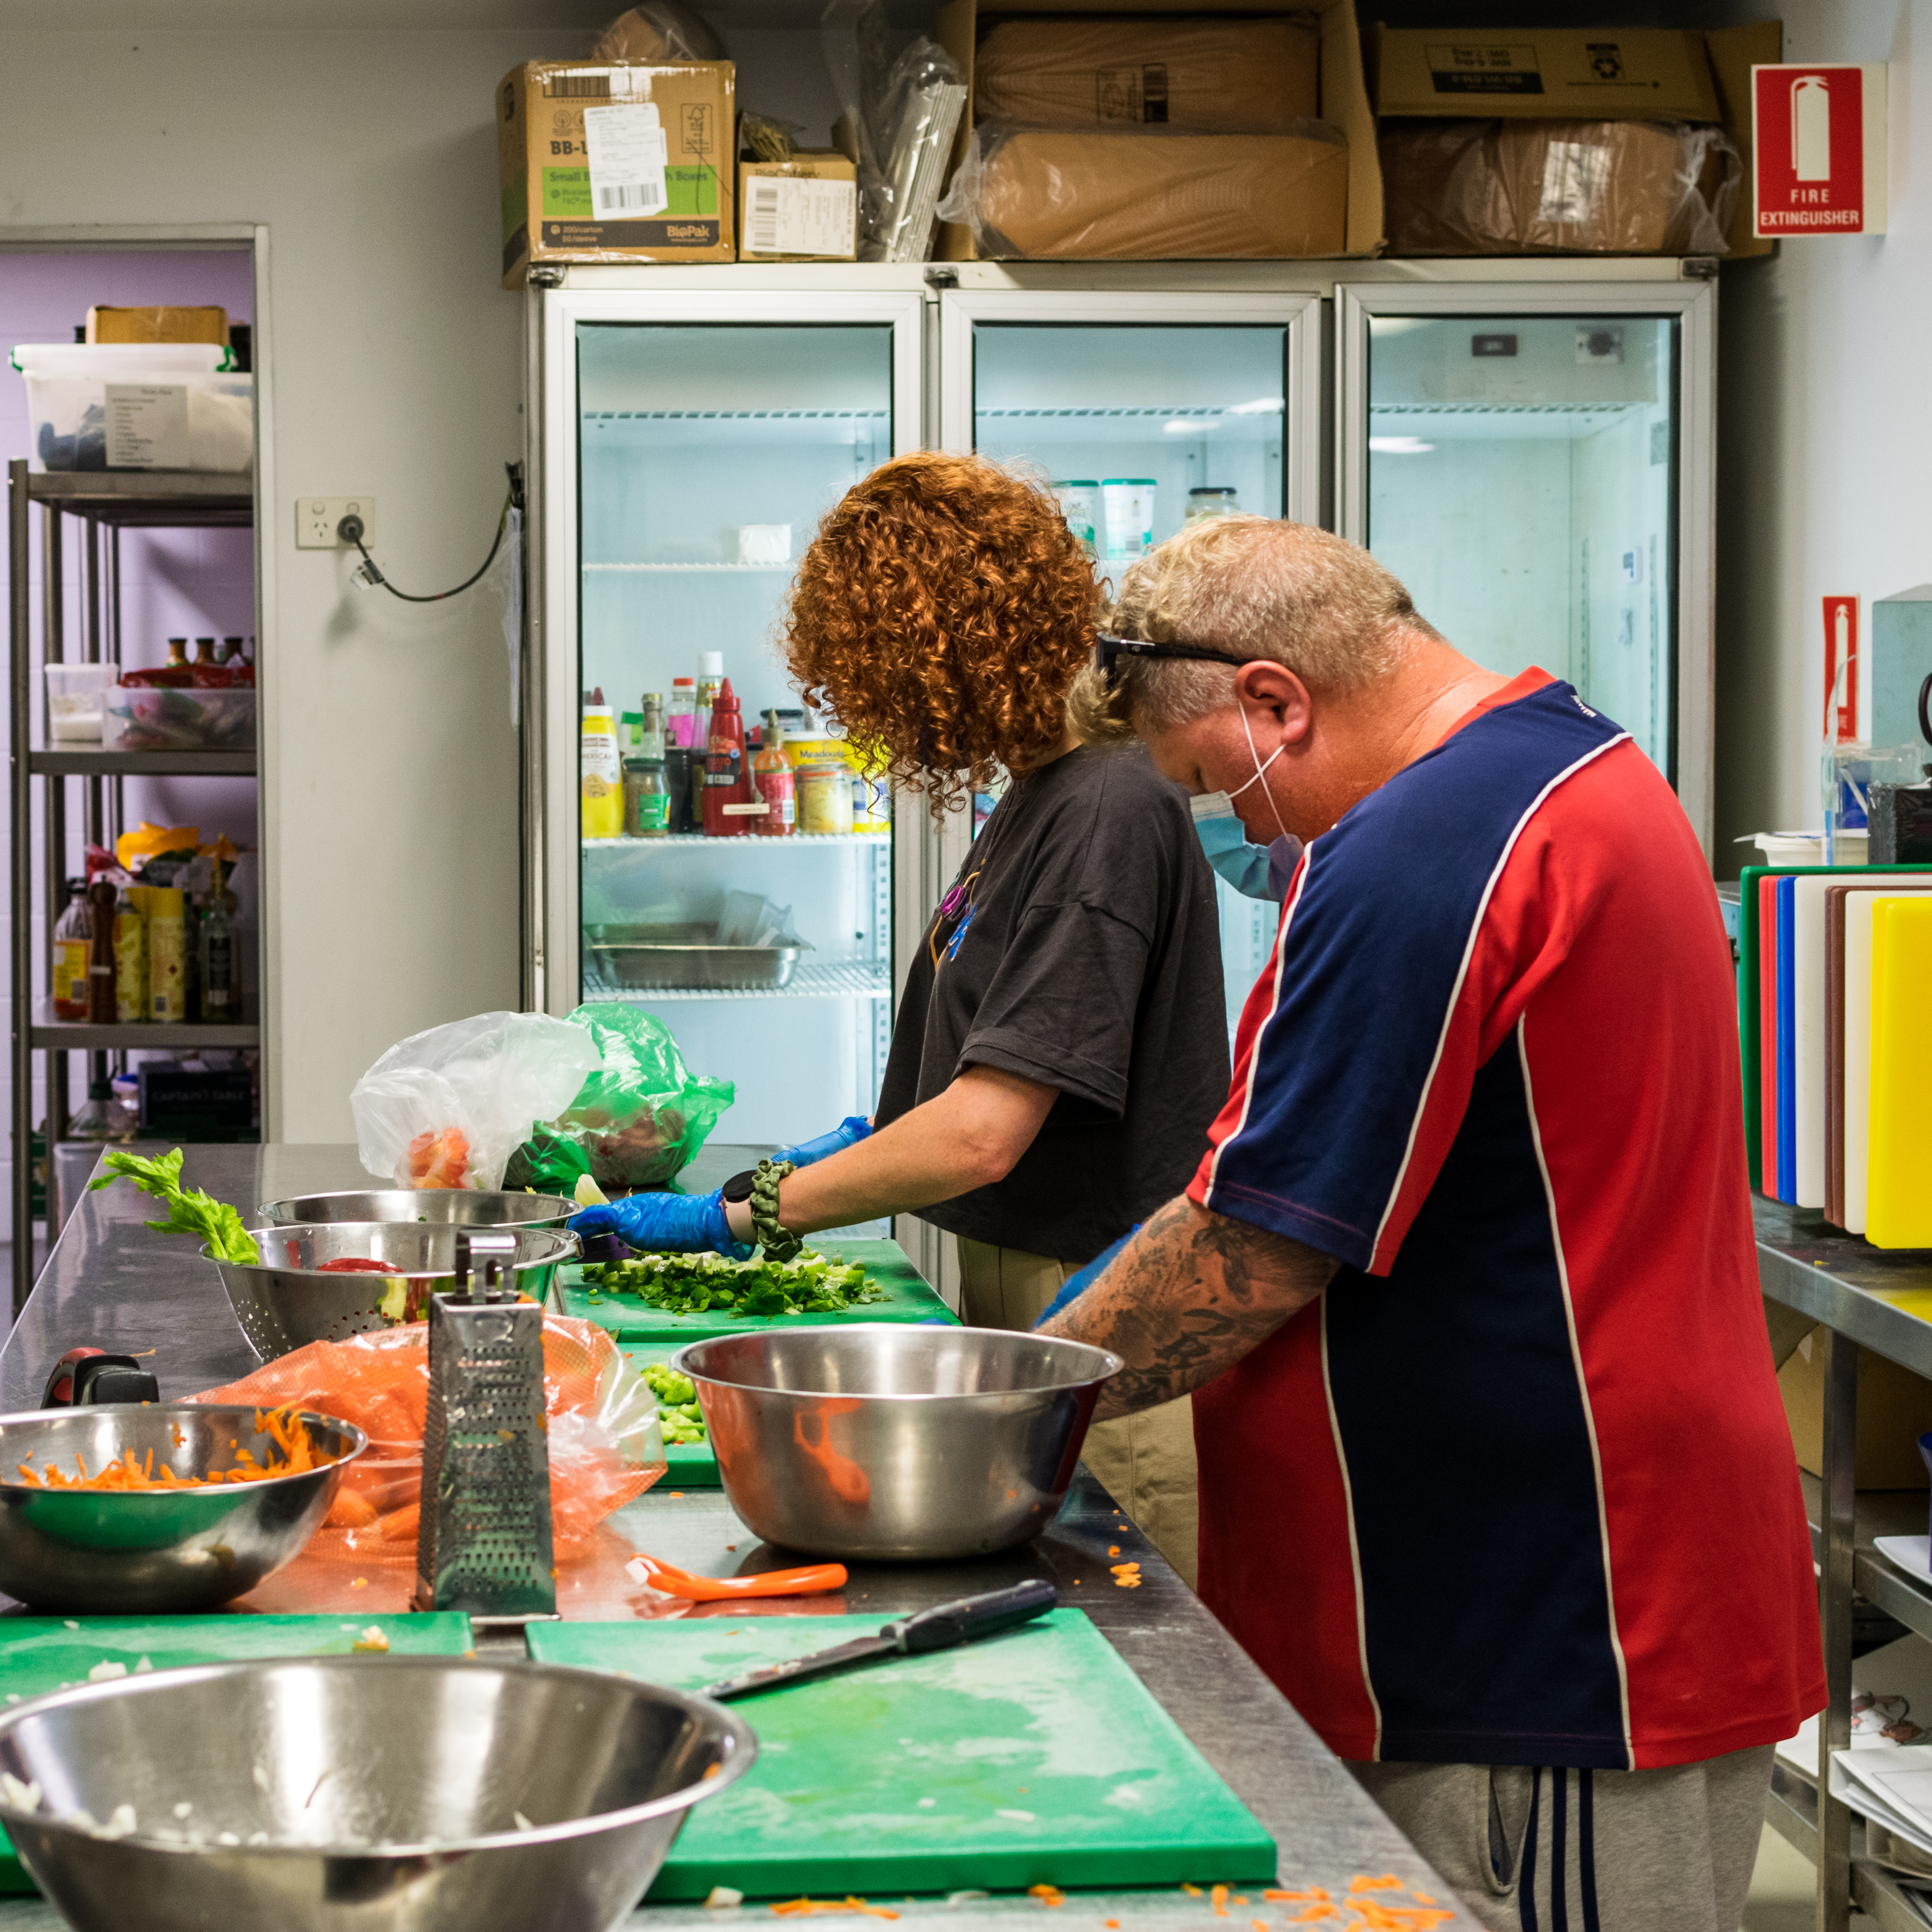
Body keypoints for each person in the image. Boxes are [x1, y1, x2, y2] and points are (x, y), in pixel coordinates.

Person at [1038, 514, 1823, 1932]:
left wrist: (998, 1405)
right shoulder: (1562, 762)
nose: (1239, 829)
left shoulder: (1424, 853)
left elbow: (1260, 1243)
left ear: (1278, 699)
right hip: (1545, 1602)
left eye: (1218, 784)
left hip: (1540, 1632)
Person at [572, 451, 1229, 1581]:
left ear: (947, 659)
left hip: (1103, 1308)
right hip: (1030, 1281)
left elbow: (981, 1131)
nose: (873, 717)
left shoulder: (1107, 806)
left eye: (870, 680)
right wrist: (847, 1145)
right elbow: (989, 1060)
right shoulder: (1041, 795)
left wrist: (743, 1216)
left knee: (1118, 1642)